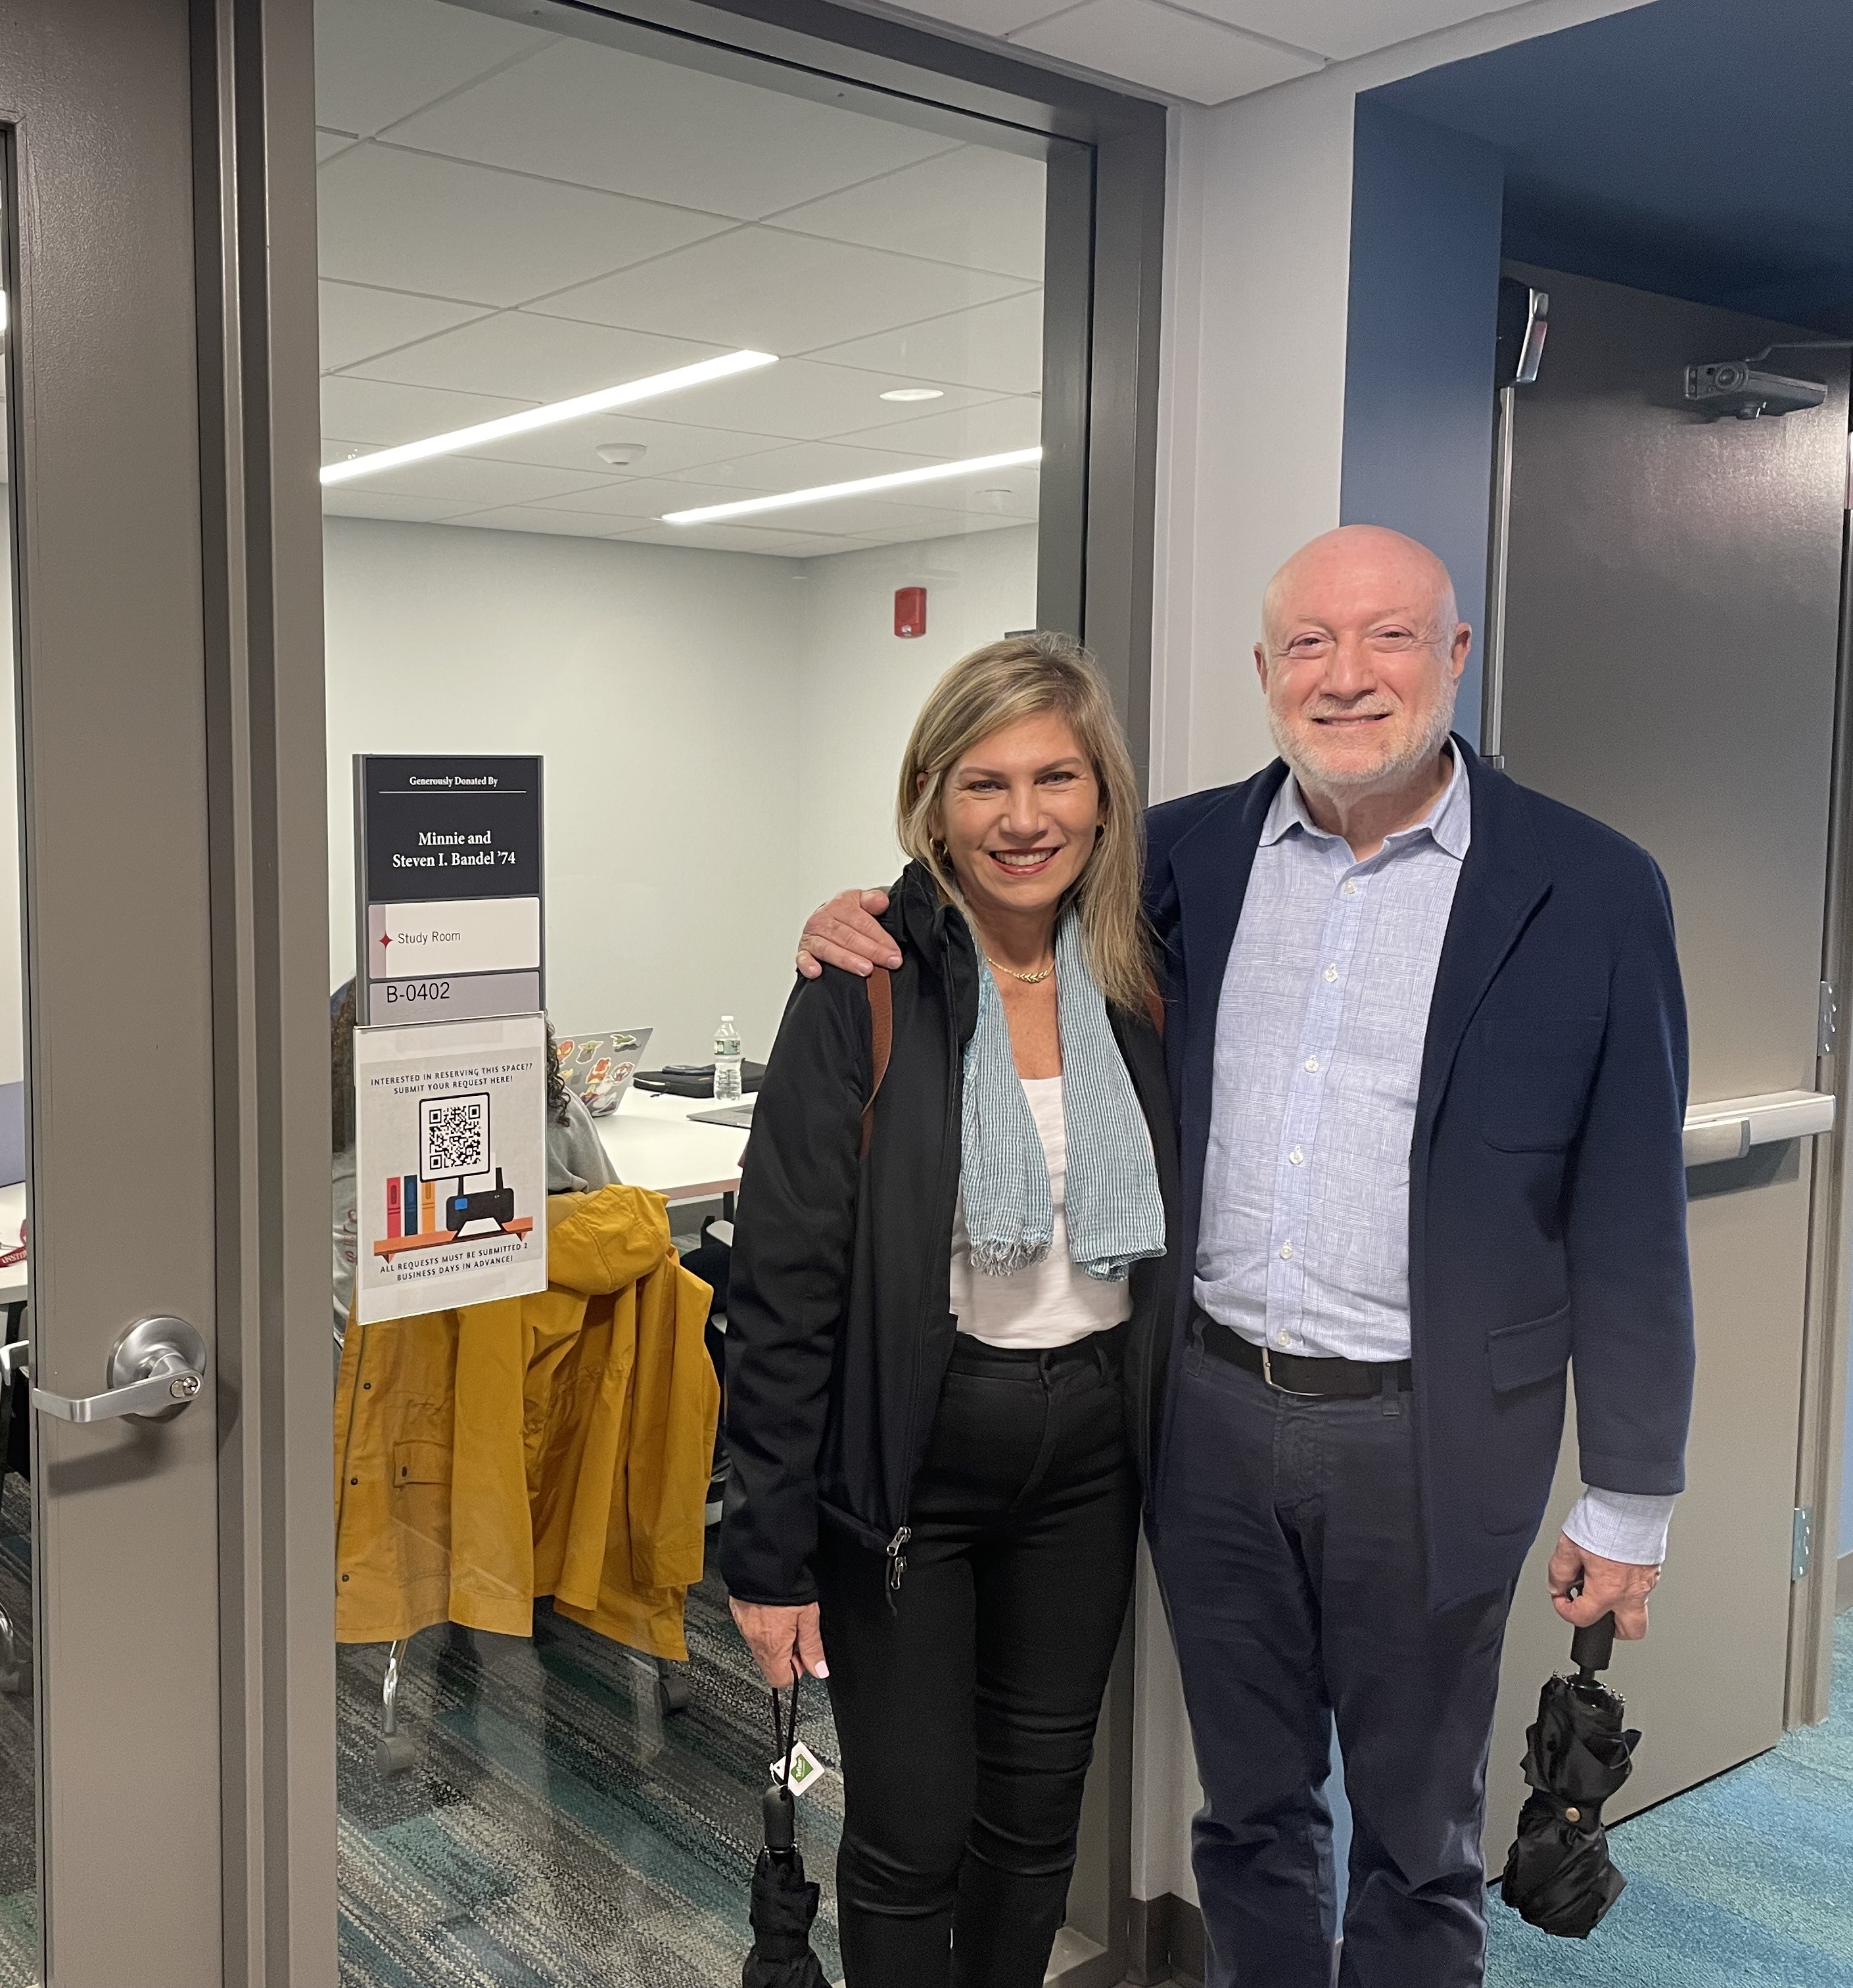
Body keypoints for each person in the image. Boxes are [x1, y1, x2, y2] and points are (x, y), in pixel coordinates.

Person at [796, 525, 1696, 1988]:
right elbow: (993, 909)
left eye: (1388, 639)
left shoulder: (1591, 889)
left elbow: (1631, 1213)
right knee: (1252, 1816)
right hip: (1202, 1420)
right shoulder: (1179, 858)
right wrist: (862, 917)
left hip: (1432, 1438)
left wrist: (1630, 1496)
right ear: (1265, 673)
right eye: (1309, 647)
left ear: (1453, 656)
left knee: (1418, 1841)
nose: (1347, 678)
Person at [721, 634, 1179, 1988]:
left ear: (1102, 795)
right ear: (931, 798)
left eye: (1056, 778)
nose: (1023, 818)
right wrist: (766, 1550)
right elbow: (783, 1286)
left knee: (1035, 1826)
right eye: (984, 783)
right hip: (915, 1464)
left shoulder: (1144, 977)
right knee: (912, 1834)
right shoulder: (863, 987)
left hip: (1091, 1453)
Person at [328, 983, 617, 1344]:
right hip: (536, 1362)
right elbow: (617, 1223)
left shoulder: (334, 1133)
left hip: (375, 1375)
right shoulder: (556, 1117)